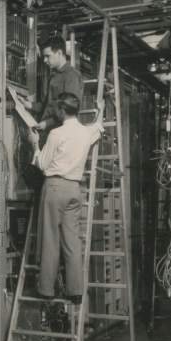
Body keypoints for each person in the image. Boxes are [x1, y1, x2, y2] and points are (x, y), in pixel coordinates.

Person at [27, 92, 104, 302]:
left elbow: (42, 164)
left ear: (61, 111)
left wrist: (34, 143)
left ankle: (46, 290)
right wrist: (101, 109)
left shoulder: (56, 134)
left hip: (55, 187)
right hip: (74, 190)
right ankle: (76, 291)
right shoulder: (85, 133)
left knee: (50, 239)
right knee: (72, 241)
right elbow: (98, 127)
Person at [20, 36, 84, 133]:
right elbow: (47, 106)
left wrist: (47, 123)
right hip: (49, 131)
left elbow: (70, 111)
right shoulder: (53, 76)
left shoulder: (72, 76)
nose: (45, 60)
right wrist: (29, 105)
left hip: (62, 133)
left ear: (59, 53)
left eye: (47, 56)